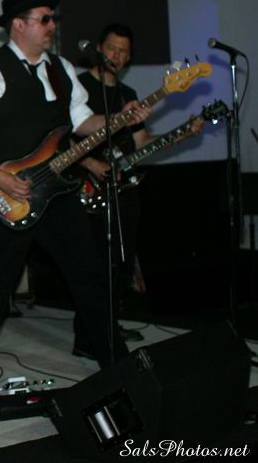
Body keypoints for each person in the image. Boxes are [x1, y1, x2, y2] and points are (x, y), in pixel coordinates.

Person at [0, 0, 151, 395]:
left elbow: (83, 123)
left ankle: (116, 365)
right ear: (18, 24)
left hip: (59, 193)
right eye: (44, 19)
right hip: (13, 192)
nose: (51, 26)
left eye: (52, 19)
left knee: (91, 276)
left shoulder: (61, 69)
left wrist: (121, 118)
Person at [72, 23, 202, 356]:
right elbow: (65, 139)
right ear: (99, 48)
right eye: (111, 48)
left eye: (123, 51)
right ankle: (87, 338)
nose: (116, 56)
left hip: (123, 189)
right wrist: (92, 165)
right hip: (86, 187)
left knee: (122, 263)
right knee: (95, 265)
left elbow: (141, 143)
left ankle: (107, 326)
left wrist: (181, 133)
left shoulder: (127, 94)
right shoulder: (79, 86)